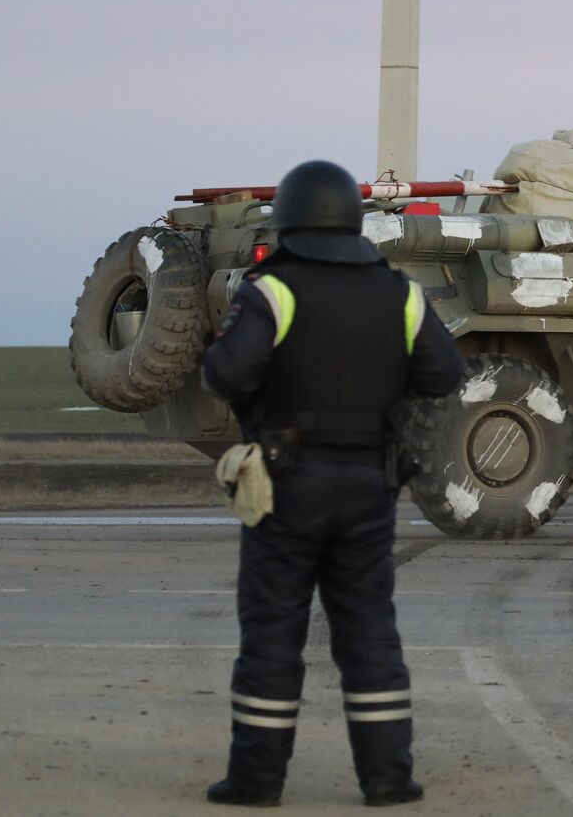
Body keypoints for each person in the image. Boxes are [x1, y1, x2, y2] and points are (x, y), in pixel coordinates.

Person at [201, 160, 464, 807]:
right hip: (370, 484)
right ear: (352, 219)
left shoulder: (271, 289)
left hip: (286, 484)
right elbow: (444, 375)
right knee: (369, 630)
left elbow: (227, 376)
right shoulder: (399, 292)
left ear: (288, 220)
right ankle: (388, 779)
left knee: (272, 632)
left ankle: (257, 782)